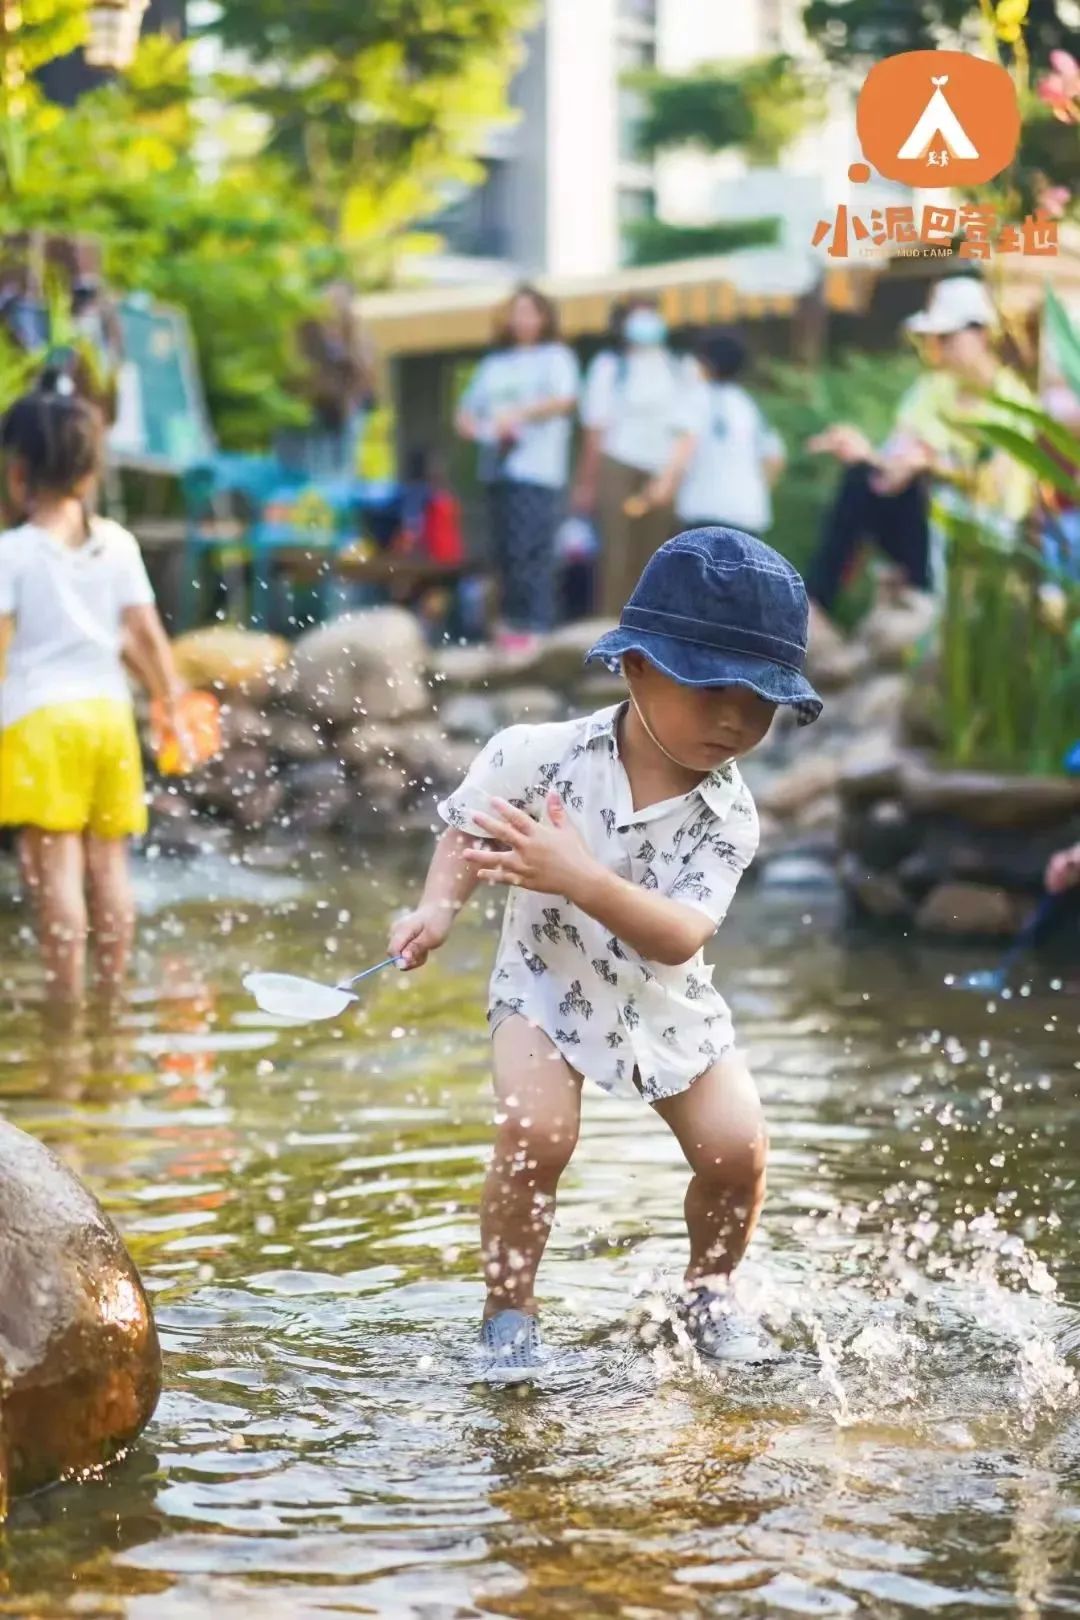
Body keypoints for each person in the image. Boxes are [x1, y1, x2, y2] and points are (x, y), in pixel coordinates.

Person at [387, 526, 823, 1380]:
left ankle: (709, 1292)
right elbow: (467, 831)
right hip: (545, 982)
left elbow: (679, 935)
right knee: (536, 1134)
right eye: (712, 689)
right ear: (636, 668)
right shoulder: (536, 756)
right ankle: (508, 1313)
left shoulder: (729, 814)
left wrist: (578, 875)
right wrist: (435, 910)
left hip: (665, 996)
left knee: (738, 1150)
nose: (736, 716)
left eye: (760, 699)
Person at [0, 382, 186, 1005]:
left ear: (18, 468)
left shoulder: (13, 552)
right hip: (109, 718)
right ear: (88, 469)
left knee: (55, 871)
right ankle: (111, 1000)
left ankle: (66, 1006)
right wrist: (173, 708)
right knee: (110, 868)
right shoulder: (118, 544)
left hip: (41, 721)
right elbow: (146, 635)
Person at [805, 276, 1037, 621]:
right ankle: (815, 604)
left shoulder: (1014, 404)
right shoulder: (931, 389)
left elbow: (1000, 491)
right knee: (860, 479)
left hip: (982, 531)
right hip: (920, 519)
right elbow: (895, 462)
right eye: (933, 339)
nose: (937, 349)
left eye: (947, 338)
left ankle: (918, 598)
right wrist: (864, 454)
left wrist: (933, 466)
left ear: (982, 334)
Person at [456, 285, 579, 648]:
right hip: (498, 468)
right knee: (505, 551)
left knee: (533, 550)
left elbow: (565, 400)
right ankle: (508, 626)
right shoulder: (494, 365)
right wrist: (484, 430)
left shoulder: (556, 358)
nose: (522, 319)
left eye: (530, 311)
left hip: (538, 469)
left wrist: (519, 415)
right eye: (517, 311)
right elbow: (465, 413)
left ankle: (536, 627)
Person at [573, 297, 700, 618]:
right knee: (615, 554)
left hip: (662, 469)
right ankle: (610, 624)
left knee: (658, 553)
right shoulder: (609, 367)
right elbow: (595, 428)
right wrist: (586, 483)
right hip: (618, 461)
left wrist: (671, 477)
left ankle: (652, 627)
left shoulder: (679, 366)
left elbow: (688, 426)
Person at [677, 329, 786, 536]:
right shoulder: (749, 404)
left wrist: (653, 496)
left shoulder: (697, 399)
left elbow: (682, 453)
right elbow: (775, 458)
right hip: (748, 515)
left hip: (704, 511)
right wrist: (753, 491)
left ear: (705, 363)